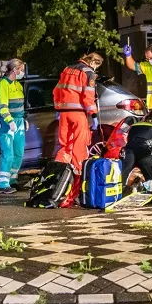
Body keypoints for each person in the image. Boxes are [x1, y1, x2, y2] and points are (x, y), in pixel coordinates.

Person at [54, 52, 104, 208]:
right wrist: (93, 115)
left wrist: (58, 107)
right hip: (78, 115)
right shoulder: (89, 72)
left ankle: (58, 183)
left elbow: (57, 90)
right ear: (94, 63)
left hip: (64, 114)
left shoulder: (67, 69)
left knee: (64, 148)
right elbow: (87, 97)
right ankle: (76, 191)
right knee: (79, 150)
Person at [0, 59, 26, 194]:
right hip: (6, 123)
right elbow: (2, 106)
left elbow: (20, 105)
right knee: (8, 154)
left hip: (18, 122)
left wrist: (23, 119)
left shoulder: (18, 85)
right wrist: (10, 121)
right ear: (15, 69)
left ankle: (13, 179)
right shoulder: (3, 85)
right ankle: (3, 183)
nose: (23, 72)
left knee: (19, 153)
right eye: (21, 69)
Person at [121, 111, 152, 193]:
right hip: (144, 152)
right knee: (150, 176)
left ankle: (119, 191)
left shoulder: (134, 125)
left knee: (124, 172)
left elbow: (124, 133)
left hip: (130, 150)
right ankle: (151, 192)